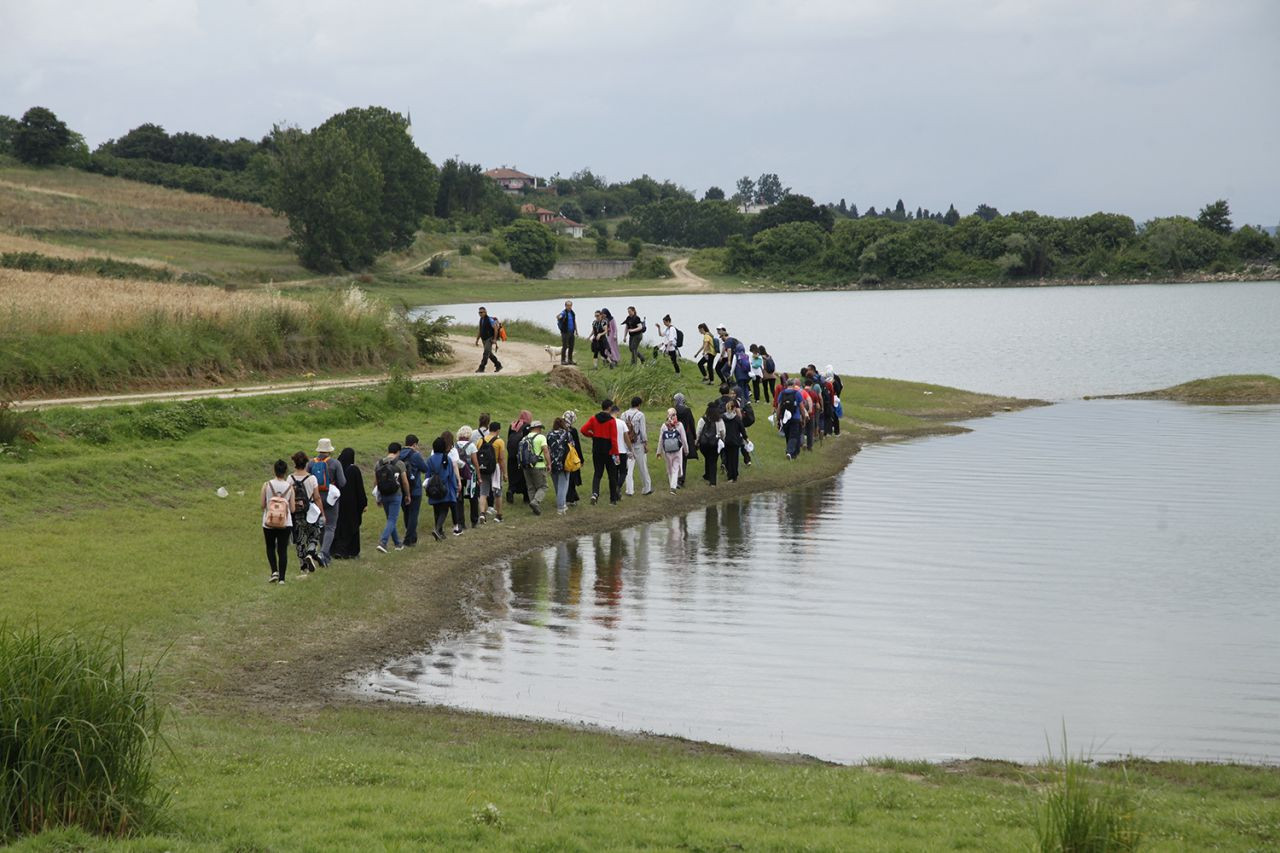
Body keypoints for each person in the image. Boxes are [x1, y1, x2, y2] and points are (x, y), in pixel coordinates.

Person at [311, 438, 347, 567]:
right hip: (330, 498)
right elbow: (342, 482)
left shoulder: (311, 463)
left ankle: (322, 553)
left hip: (315, 498)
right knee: (331, 526)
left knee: (320, 525)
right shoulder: (335, 463)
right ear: (329, 450)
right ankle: (324, 553)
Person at [288, 450, 325, 574]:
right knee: (314, 535)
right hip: (310, 512)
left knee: (299, 539)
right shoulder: (312, 478)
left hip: (296, 513)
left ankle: (303, 567)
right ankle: (310, 553)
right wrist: (322, 513)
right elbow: (317, 497)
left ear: (294, 463)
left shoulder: (290, 478)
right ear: (306, 463)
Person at [579, 398, 622, 505]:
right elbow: (614, 439)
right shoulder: (612, 421)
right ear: (609, 408)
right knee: (612, 475)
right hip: (609, 450)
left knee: (598, 473)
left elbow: (583, 430)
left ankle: (595, 493)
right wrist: (616, 453)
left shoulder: (594, 418)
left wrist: (592, 435)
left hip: (597, 449)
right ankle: (613, 500)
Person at [331, 447, 367, 559]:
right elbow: (359, 488)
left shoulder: (336, 468)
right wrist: (363, 502)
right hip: (352, 504)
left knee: (338, 526)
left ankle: (336, 550)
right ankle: (351, 551)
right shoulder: (354, 470)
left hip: (337, 502)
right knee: (352, 527)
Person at [373, 442, 410, 553]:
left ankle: (398, 543)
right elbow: (404, 481)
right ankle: (383, 542)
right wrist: (408, 494)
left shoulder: (379, 463)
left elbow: (375, 482)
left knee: (390, 519)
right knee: (392, 519)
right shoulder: (399, 463)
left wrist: (377, 497)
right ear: (398, 451)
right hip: (395, 494)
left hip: (383, 494)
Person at [261, 459, 293, 583]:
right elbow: (293, 508)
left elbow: (262, 504)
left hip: (268, 521)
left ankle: (274, 571)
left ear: (274, 470)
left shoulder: (267, 485)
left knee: (270, 547)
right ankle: (282, 579)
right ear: (285, 472)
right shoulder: (290, 487)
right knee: (282, 549)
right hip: (285, 522)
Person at [424, 436, 458, 541]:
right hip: (444, 488)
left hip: (433, 487)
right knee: (444, 509)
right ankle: (437, 529)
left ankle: (440, 533)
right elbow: (451, 475)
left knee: (436, 510)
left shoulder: (429, 459)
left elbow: (427, 475)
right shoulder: (446, 458)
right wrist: (455, 487)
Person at [398, 435, 430, 546]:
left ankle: (413, 538)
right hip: (415, 489)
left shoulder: (398, 454)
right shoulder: (416, 455)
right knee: (413, 515)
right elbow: (425, 468)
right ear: (414, 444)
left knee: (406, 514)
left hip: (401, 489)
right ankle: (408, 539)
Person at [476, 414, 505, 523]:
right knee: (497, 493)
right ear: (498, 430)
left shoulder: (480, 440)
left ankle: (482, 514)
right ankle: (498, 515)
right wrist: (505, 473)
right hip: (495, 469)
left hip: (483, 468)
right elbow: (501, 459)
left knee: (483, 493)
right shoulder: (499, 441)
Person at [453, 426, 482, 529]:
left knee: (459, 498)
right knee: (473, 497)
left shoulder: (454, 446)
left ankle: (461, 522)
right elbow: (475, 462)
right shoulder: (471, 446)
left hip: (458, 475)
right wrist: (479, 476)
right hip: (470, 474)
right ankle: (474, 520)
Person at [622, 396, 651, 496]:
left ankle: (629, 490)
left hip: (627, 444)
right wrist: (645, 443)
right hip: (638, 444)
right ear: (639, 405)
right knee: (642, 466)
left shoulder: (623, 414)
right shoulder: (640, 415)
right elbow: (643, 431)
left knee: (629, 468)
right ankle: (647, 488)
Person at [654, 408, 688, 494]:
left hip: (667, 451)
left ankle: (671, 485)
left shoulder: (664, 426)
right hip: (677, 450)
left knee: (669, 468)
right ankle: (673, 487)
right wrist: (686, 450)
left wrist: (658, 451)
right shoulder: (679, 425)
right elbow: (684, 439)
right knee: (676, 468)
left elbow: (661, 440)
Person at [523, 420, 550, 515]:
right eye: (541, 428)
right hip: (538, 465)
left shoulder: (525, 438)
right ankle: (535, 502)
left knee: (531, 487)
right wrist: (549, 463)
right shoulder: (541, 437)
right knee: (543, 486)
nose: (541, 430)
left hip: (526, 466)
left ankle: (534, 509)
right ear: (538, 428)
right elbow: (545, 450)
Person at [695, 403, 725, 486]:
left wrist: (696, 442)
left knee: (708, 458)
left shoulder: (702, 420)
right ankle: (713, 482)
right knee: (713, 461)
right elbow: (723, 432)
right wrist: (722, 440)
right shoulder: (719, 420)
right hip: (715, 443)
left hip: (704, 444)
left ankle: (707, 475)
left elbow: (698, 432)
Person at [547, 417, 573, 514]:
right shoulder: (566, 434)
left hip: (552, 461)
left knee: (556, 484)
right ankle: (561, 506)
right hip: (564, 462)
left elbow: (547, 447)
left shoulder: (549, 434)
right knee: (563, 484)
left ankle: (562, 502)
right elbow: (572, 445)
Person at [505, 411, 531, 505]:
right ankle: (526, 496)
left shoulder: (513, 424)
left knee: (512, 474)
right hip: (521, 454)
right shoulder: (527, 426)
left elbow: (509, 438)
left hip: (511, 454)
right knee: (523, 475)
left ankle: (511, 490)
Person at [777, 378, 806, 459]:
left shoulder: (782, 394)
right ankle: (789, 452)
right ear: (793, 385)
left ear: (786, 385)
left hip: (785, 418)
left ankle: (793, 455)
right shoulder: (797, 393)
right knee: (793, 436)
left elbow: (778, 407)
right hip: (795, 418)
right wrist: (803, 418)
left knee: (788, 436)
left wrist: (778, 418)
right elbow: (801, 407)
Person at [672, 392, 697, 488]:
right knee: (683, 458)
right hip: (685, 436)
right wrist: (694, 436)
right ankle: (681, 479)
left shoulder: (673, 411)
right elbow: (691, 423)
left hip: (674, 435)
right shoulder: (687, 410)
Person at [721, 400, 746, 483]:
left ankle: (730, 475)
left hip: (726, 440)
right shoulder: (737, 418)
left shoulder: (723, 418)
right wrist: (746, 437)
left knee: (727, 458)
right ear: (734, 408)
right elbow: (742, 429)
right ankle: (734, 475)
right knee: (734, 459)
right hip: (735, 440)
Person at [563, 410, 583, 505]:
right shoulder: (572, 431)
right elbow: (577, 446)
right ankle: (570, 498)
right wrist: (581, 459)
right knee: (572, 478)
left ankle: (572, 496)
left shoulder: (558, 429)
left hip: (561, 457)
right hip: (571, 456)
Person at [475, 306, 503, 373]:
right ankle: (498, 365)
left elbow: (496, 329)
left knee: (485, 353)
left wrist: (495, 339)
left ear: (485, 312)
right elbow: (480, 330)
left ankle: (481, 368)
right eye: (479, 312)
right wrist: (477, 339)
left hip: (489, 339)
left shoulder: (489, 319)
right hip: (484, 339)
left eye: (481, 312)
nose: (480, 314)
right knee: (489, 354)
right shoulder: (481, 320)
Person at [556, 300, 577, 365]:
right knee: (565, 346)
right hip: (565, 332)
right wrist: (559, 316)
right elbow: (558, 317)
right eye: (568, 305)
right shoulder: (563, 313)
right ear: (565, 306)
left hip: (572, 332)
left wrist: (576, 330)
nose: (569, 307)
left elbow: (574, 322)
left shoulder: (572, 313)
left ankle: (570, 360)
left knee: (571, 346)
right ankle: (563, 360)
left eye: (570, 305)